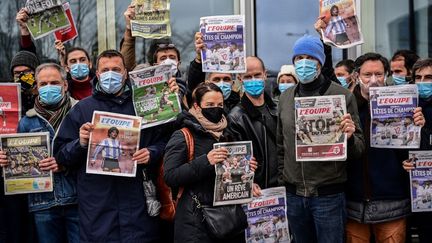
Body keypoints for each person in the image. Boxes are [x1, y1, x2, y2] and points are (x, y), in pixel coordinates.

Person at [53, 50, 177, 242]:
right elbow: (61, 155)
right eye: (106, 69)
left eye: (116, 69)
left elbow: (169, 140)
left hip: (138, 208)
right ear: (98, 73)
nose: (111, 74)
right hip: (98, 210)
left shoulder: (144, 105)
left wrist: (151, 152)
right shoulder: (82, 109)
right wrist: (81, 143)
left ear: (126, 73)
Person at [277, 35, 365, 243]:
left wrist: (350, 137)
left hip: (328, 196)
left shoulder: (342, 96)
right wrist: (284, 180)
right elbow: (281, 144)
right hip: (294, 195)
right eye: (299, 58)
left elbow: (359, 149)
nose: (304, 63)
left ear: (320, 62)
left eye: (310, 58)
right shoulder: (285, 98)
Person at [345, 52, 425, 243]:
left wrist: (419, 127)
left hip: (392, 202)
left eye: (379, 74)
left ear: (386, 75)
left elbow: (413, 153)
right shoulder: (347, 107)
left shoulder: (404, 104)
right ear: (357, 76)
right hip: (354, 203)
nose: (374, 80)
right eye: (367, 75)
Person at [163, 82, 257, 243]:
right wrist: (206, 161)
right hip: (195, 222)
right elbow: (171, 176)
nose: (216, 108)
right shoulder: (183, 135)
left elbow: (230, 174)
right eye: (210, 104)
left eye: (220, 104)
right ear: (197, 106)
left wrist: (246, 171)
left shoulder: (229, 132)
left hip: (229, 221)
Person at [1, 63, 79, 243]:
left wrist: (65, 164)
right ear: (36, 87)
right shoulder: (26, 122)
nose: (48, 87)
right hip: (42, 203)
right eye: (43, 84)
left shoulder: (80, 112)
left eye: (54, 82)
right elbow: (18, 163)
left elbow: (91, 153)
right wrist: (7, 161)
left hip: (78, 200)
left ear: (65, 85)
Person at [226, 56, 279, 193]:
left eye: (257, 75)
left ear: (265, 75)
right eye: (248, 77)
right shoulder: (235, 118)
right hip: (258, 190)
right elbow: (233, 161)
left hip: (285, 186)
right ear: (240, 79)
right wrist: (249, 182)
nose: (253, 80)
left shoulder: (278, 109)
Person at [402, 58, 432, 243]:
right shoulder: (408, 107)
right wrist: (403, 161)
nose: (422, 82)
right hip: (420, 190)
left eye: (428, 77)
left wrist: (426, 129)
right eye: (418, 77)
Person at [186, 32, 241, 112]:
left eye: (226, 79)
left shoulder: (239, 106)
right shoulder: (201, 105)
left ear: (232, 83)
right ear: (208, 82)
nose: (222, 83)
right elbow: (195, 87)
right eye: (216, 79)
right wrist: (199, 58)